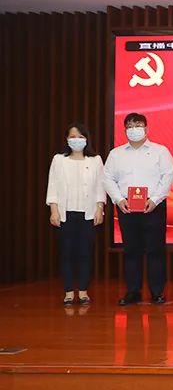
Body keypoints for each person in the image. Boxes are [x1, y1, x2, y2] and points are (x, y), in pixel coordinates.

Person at [103, 113, 173, 305]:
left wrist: (155, 199)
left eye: (138, 125)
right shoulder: (116, 154)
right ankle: (133, 291)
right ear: (125, 129)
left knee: (155, 250)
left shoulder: (160, 151)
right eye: (130, 126)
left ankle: (157, 292)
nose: (134, 129)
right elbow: (107, 178)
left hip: (153, 205)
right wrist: (118, 199)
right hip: (126, 206)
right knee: (131, 250)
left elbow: (169, 176)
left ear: (146, 128)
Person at [46, 123, 106, 306]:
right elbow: (53, 185)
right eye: (72, 136)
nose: (76, 140)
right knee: (66, 253)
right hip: (65, 213)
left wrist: (99, 208)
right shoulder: (59, 159)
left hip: (88, 213)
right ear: (66, 139)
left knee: (85, 253)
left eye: (80, 137)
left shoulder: (95, 160)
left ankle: (83, 291)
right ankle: (68, 292)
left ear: (87, 139)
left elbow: (100, 186)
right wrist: (54, 210)